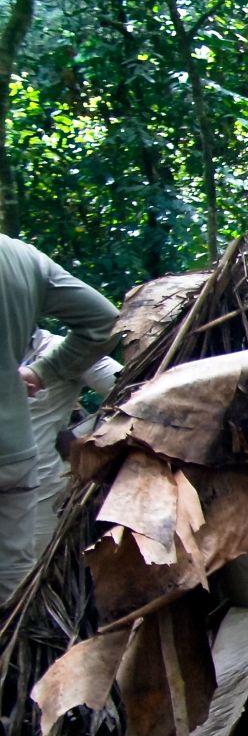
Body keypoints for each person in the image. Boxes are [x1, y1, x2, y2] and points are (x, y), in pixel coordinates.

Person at [1, 237, 117, 600]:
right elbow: (104, 319)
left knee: (27, 576)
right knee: (14, 576)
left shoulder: (52, 348)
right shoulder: (19, 257)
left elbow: (128, 388)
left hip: (39, 486)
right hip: (16, 464)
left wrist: (84, 438)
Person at [24, 326, 120, 559]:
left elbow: (135, 389)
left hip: (36, 497)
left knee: (27, 575)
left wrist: (84, 438)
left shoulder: (60, 350)